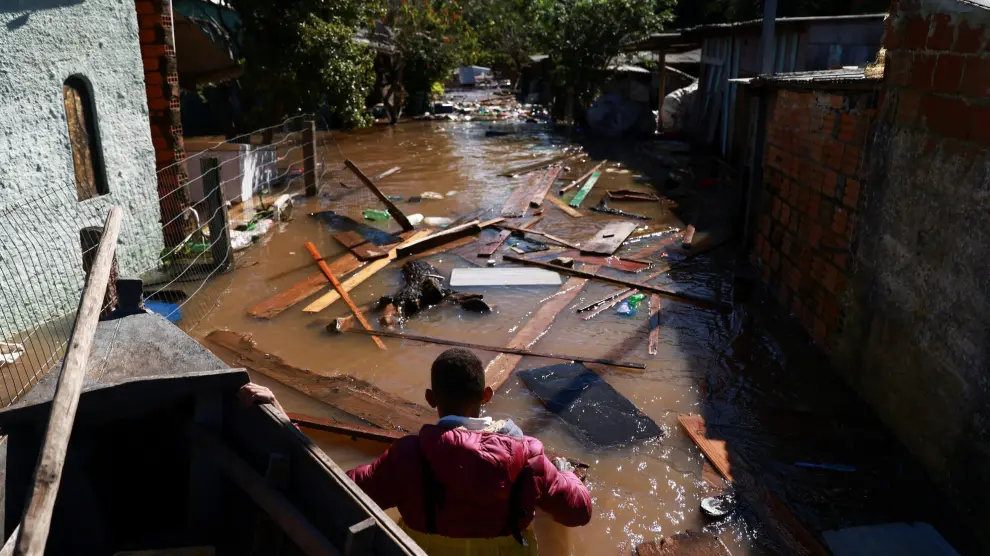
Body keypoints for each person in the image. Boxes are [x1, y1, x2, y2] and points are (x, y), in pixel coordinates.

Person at [346, 348, 592, 555]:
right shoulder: (527, 455)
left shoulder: (407, 455)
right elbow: (579, 513)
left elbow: (350, 489)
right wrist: (565, 473)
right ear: (486, 396)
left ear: (431, 398)